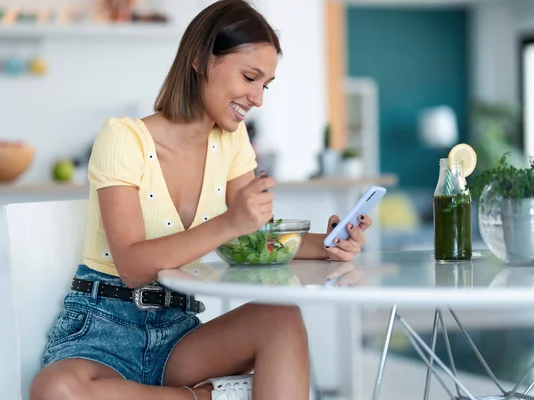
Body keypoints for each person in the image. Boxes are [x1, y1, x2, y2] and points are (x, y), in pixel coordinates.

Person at [30, 1, 372, 399]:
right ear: (199, 59)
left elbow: (255, 241)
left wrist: (328, 245)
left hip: (177, 332)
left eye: (266, 84)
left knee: (280, 318)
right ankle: (206, 396)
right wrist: (231, 222)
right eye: (249, 77)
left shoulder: (232, 143)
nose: (258, 98)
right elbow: (133, 267)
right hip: (103, 327)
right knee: (55, 390)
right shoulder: (123, 138)